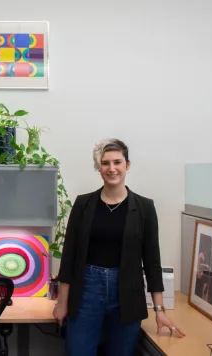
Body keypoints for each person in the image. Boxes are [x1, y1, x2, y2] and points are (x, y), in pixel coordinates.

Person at [53, 138, 185, 356]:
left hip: (126, 293)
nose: (112, 169)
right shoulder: (83, 204)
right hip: (86, 290)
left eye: (117, 162)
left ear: (127, 165)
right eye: (105, 163)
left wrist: (159, 310)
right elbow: (69, 258)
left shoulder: (144, 207)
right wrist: (62, 302)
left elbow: (152, 262)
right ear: (99, 168)